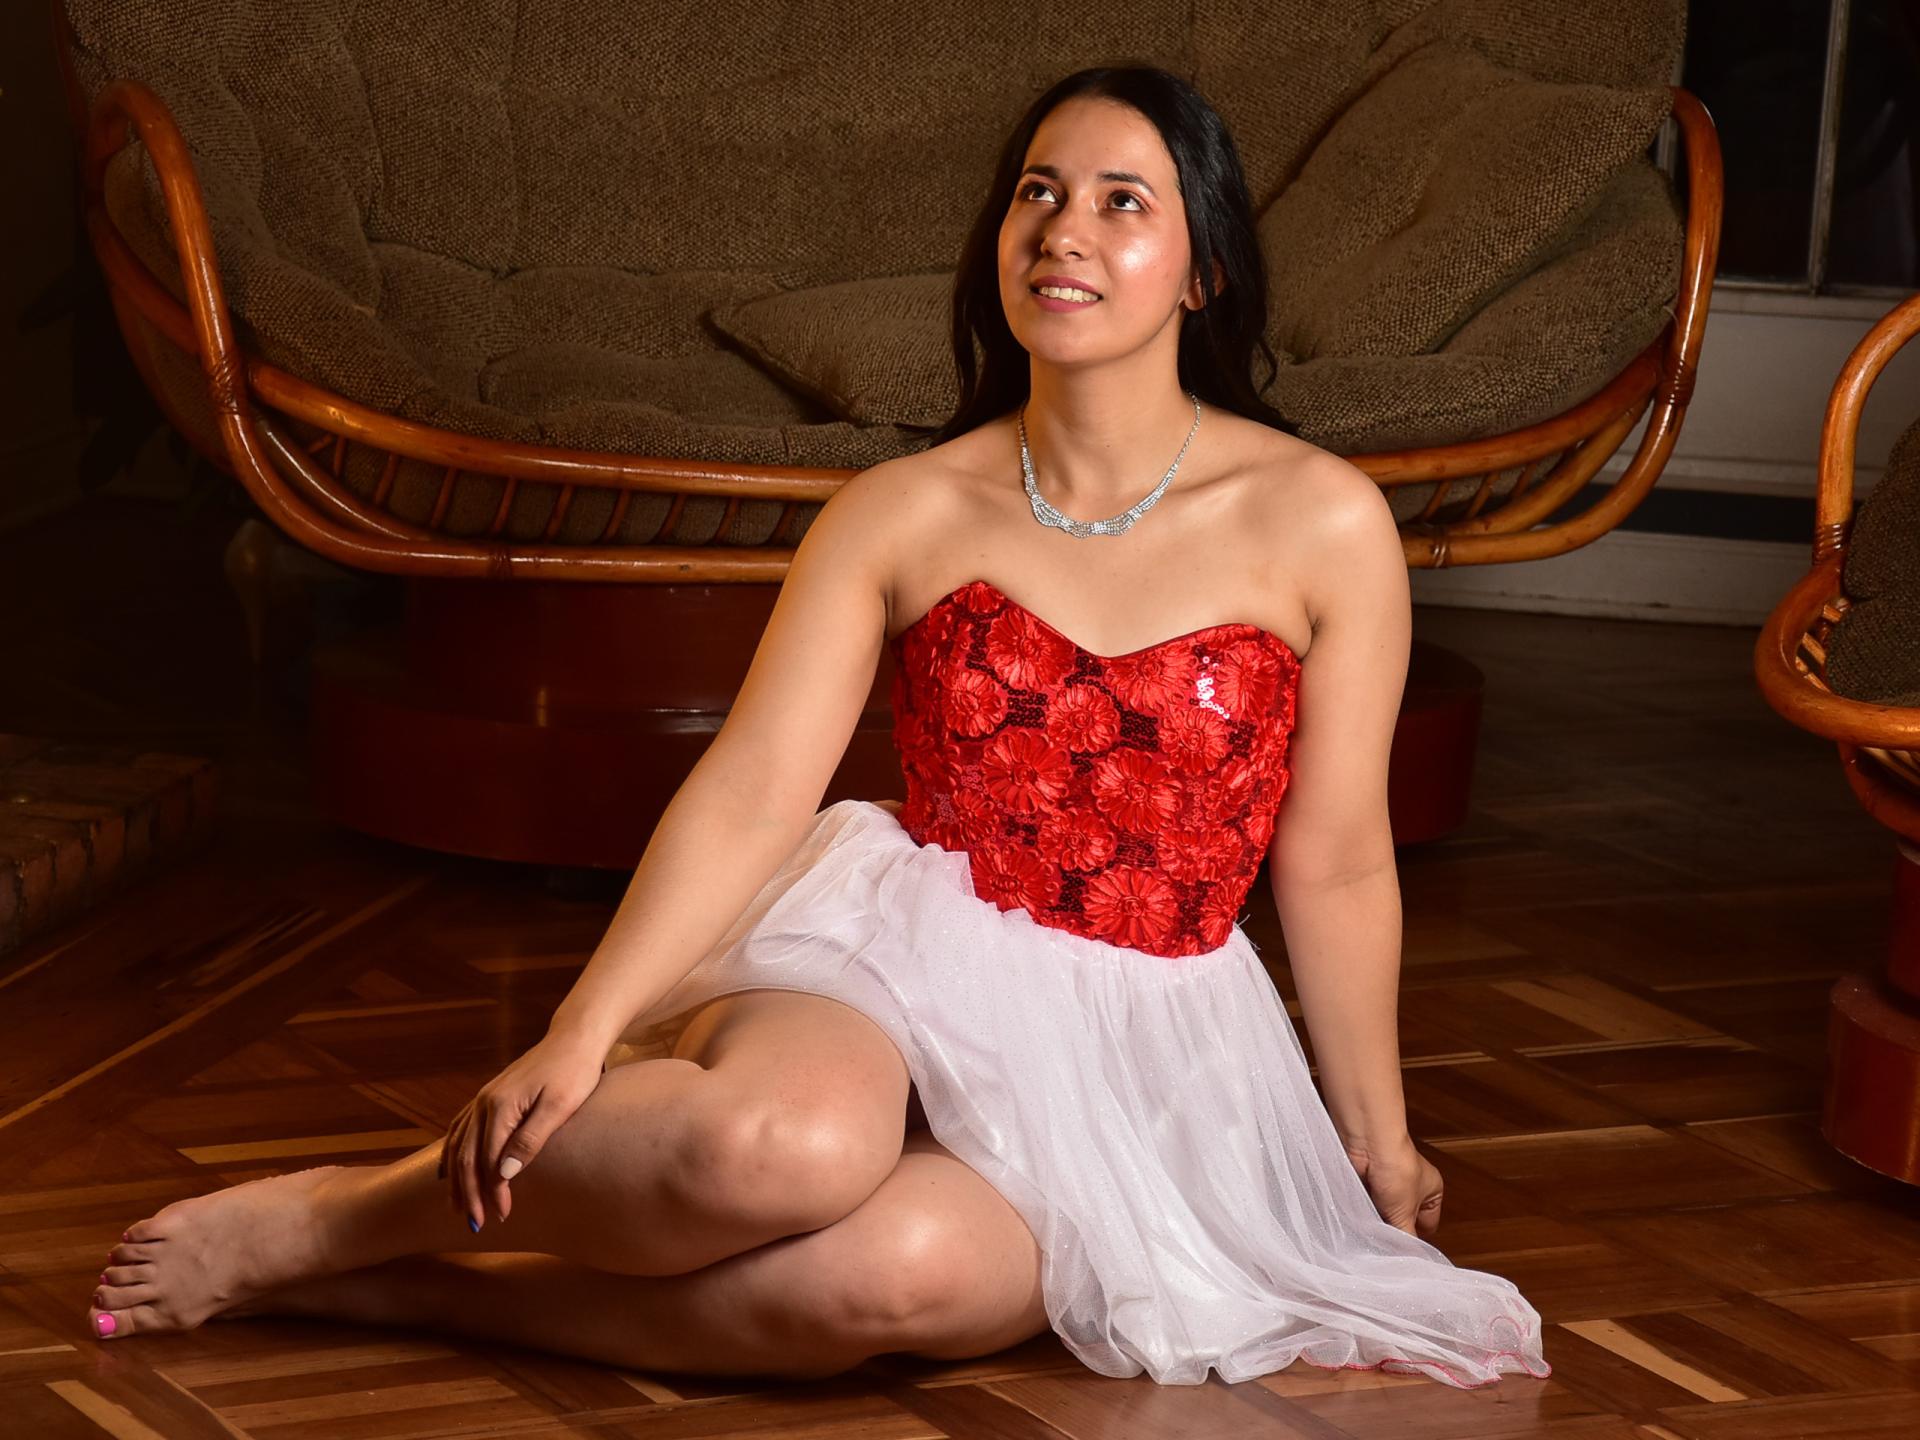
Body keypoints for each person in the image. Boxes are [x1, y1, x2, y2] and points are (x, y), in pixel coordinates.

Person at [84, 64, 1552, 1389]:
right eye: (1038, 193)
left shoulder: (1320, 521)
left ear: (1204, 270)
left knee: (888, 1278)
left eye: (1124, 201)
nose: (1065, 230)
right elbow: (753, 788)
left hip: (1146, 1038)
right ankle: (342, 1216)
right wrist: (580, 1031)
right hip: (900, 955)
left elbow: (1337, 859)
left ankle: (413, 1293)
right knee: (778, 1146)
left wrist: (1376, 1135)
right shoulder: (902, 511)